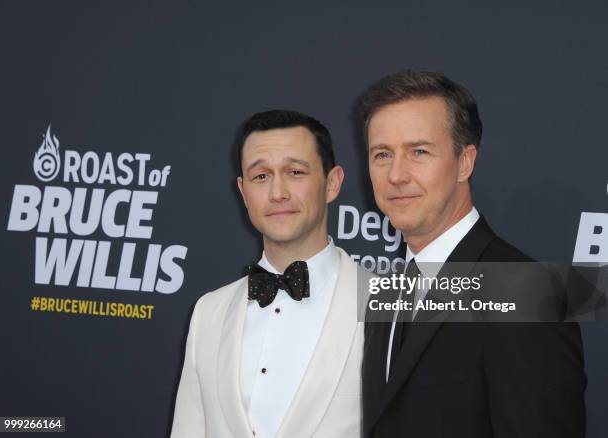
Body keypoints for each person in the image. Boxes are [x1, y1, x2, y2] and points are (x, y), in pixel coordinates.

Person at [359, 70, 587, 437]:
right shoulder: (386, 291)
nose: (396, 175)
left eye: (419, 152)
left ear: (465, 162)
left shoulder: (528, 293)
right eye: (382, 154)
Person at [171, 110, 367, 438]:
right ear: (243, 190)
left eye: (295, 172)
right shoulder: (209, 311)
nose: (278, 193)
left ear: (332, 184)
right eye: (261, 176)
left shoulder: (390, 302)